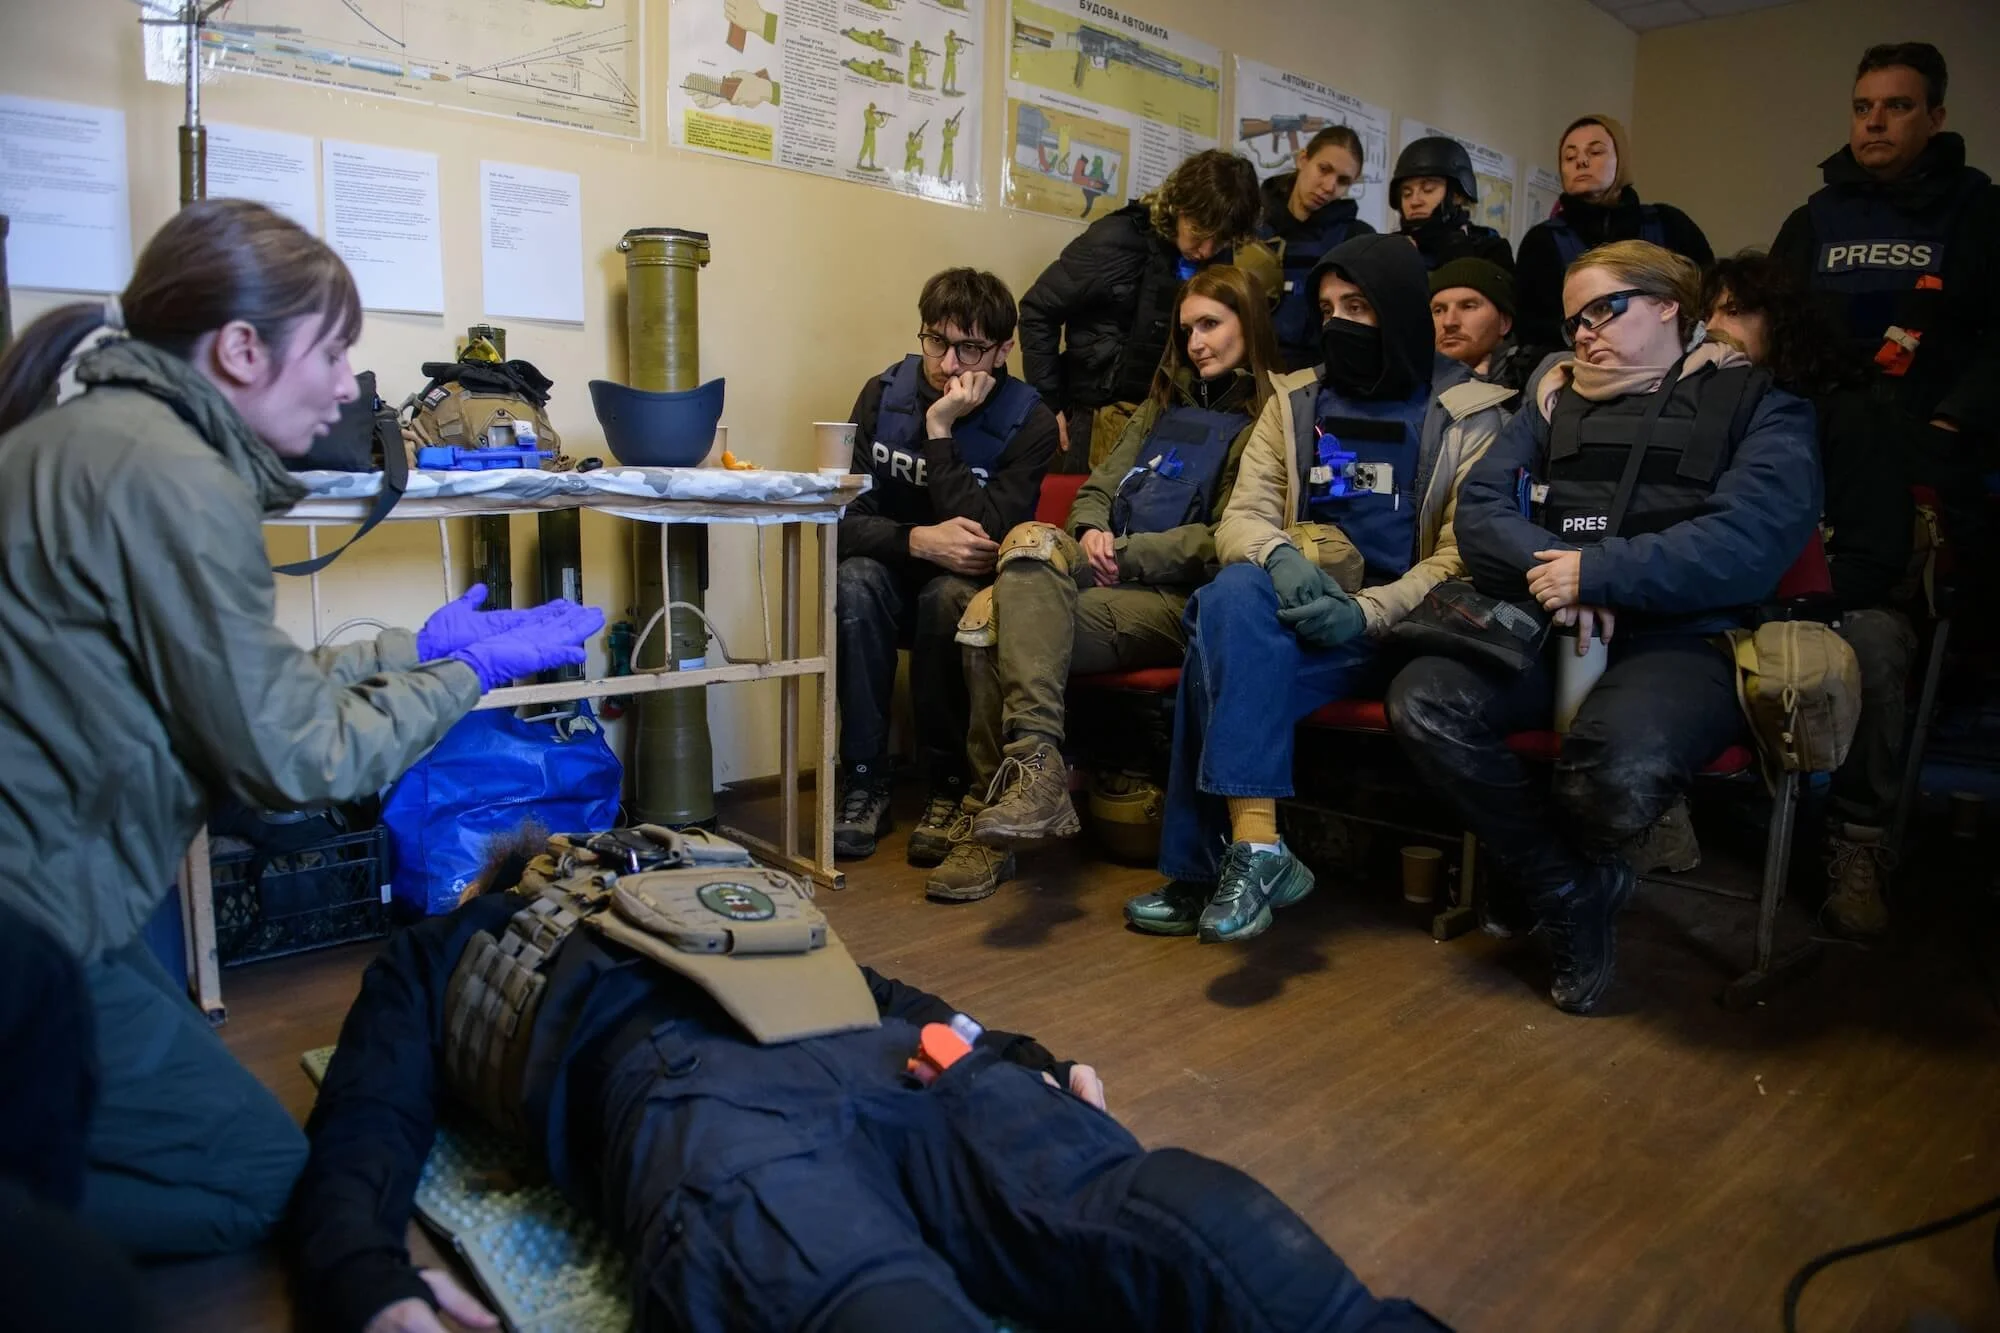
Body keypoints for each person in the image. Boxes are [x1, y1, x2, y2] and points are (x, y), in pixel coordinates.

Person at [0, 200, 601, 1255]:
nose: (343, 385)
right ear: (239, 349)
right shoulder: (171, 479)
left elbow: (233, 681)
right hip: (34, 905)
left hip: (57, 862)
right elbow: (296, 758)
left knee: (120, 1074)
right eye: (330, 352)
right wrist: (463, 673)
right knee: (261, 1179)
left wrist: (413, 648)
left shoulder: (106, 438)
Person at [295, 826, 1449, 1333]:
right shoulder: (458, 941)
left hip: (807, 1077)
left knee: (1166, 1216)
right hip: (784, 1080)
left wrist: (1030, 1066)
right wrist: (358, 1274)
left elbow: (885, 986)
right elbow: (369, 1110)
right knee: (1092, 1226)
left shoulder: (662, 896)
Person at [1386, 241, 1821, 1015]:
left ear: (1668, 307)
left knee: (1615, 768)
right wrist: (1560, 574)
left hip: (1681, 638)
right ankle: (1567, 886)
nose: (1583, 332)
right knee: (1425, 699)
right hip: (1548, 621)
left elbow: (1749, 542)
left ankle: (1541, 872)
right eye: (1572, 318)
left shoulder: (1762, 404)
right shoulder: (1550, 398)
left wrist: (1601, 573)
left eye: (1603, 309)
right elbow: (1482, 516)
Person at [1123, 234, 1514, 942]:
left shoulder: (1472, 414)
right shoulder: (1295, 399)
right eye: (1328, 306)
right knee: (1232, 597)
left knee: (1214, 644)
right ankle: (1259, 849)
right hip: (1293, 605)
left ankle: (1197, 871)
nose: (1339, 322)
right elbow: (1243, 516)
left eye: (1358, 306)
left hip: (1396, 626)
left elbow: (1461, 556)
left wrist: (1363, 613)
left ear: (1396, 310)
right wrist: (1276, 557)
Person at [928, 266, 1281, 902]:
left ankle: (997, 807)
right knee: (1017, 562)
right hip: (1100, 571)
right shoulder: (1160, 404)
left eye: (1211, 325)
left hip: (1180, 601)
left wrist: (1125, 552)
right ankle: (1020, 799)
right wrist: (1090, 528)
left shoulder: (1272, 418)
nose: (1196, 342)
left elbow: (1229, 535)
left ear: (1248, 326)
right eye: (1187, 329)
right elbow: (1094, 487)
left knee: (991, 614)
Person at [1705, 251, 1917, 939]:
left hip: (1830, 602)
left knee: (1877, 644)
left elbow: (1874, 556)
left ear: (1784, 321)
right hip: (1730, 592)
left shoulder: (1852, 413)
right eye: (1708, 311)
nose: (1715, 327)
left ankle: (1858, 840)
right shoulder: (1700, 403)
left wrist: (1778, 603)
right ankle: (1655, 810)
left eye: (1734, 310)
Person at [835, 268, 1060, 866]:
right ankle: (864, 782)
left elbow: (983, 539)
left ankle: (948, 787)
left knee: (947, 597)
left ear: (1004, 349)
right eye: (936, 340)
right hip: (891, 567)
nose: (946, 364)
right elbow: (839, 521)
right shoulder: (882, 394)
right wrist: (916, 539)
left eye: (970, 348)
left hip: (967, 586)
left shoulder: (1029, 421)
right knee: (852, 582)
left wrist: (940, 429)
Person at [1771, 41, 1999, 588]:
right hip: (1823, 446)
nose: (1874, 122)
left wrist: (1953, 421)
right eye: (1861, 107)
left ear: (1935, 118)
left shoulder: (1983, 213)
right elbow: (1771, 329)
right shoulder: (1813, 220)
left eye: (1897, 106)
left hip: (1938, 447)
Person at [1019, 148, 1270, 469]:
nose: (1205, 250)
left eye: (1220, 241)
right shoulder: (1117, 240)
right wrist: (1047, 405)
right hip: (1092, 418)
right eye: (1199, 232)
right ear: (1180, 207)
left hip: (1165, 417)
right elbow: (1037, 310)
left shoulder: (1214, 256)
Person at [1514, 115, 1713, 355]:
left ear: (1622, 161)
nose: (1581, 162)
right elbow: (1532, 329)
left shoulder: (1669, 224)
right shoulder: (1541, 242)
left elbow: (1707, 298)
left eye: (1595, 152)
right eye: (1570, 157)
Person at [1256, 125, 1377, 371]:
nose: (1330, 186)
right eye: (1324, 169)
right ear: (1303, 159)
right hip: (1249, 367)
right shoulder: (1253, 223)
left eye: (1343, 181)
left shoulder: (1356, 239)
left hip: (1315, 376)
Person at [1389, 136, 1514, 274]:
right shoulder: (1388, 248)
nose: (1414, 201)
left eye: (1428, 189)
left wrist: (1461, 265)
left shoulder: (1489, 249)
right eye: (1406, 193)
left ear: (1457, 195)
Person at [1429, 256, 1533, 392]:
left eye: (1468, 306)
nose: (1449, 322)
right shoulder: (1412, 385)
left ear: (1504, 323)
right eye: (1438, 310)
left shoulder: (1534, 377)